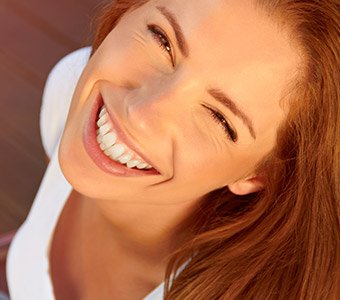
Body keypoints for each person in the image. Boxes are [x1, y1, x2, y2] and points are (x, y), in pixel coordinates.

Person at [6, 0, 339, 299]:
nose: (140, 114)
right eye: (162, 39)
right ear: (128, 11)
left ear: (257, 174)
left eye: (219, 118)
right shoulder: (70, 94)